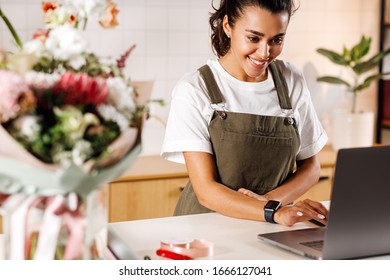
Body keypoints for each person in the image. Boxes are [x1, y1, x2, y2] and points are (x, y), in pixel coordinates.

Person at [161, 0, 328, 227]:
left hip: (268, 225)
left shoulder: (291, 80)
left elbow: (311, 167)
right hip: (203, 228)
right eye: (253, 38)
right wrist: (272, 211)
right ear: (228, 26)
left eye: (277, 40)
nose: (264, 52)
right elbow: (206, 191)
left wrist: (269, 205)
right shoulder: (194, 88)